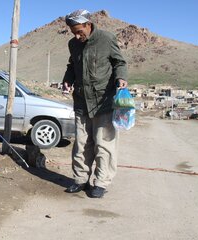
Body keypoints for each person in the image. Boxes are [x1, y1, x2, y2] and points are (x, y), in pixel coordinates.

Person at [62, 9, 128, 198]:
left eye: (79, 31)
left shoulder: (106, 39)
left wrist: (121, 78)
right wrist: (68, 79)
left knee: (104, 144)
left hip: (103, 102)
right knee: (81, 144)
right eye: (73, 31)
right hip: (82, 101)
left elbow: (119, 63)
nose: (76, 35)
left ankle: (101, 182)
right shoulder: (73, 44)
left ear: (88, 24)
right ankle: (81, 179)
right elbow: (72, 66)